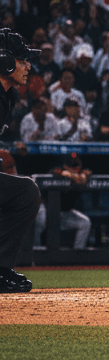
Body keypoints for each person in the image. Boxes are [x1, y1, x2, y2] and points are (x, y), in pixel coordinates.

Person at [0, 29, 43, 291]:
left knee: (24, 192)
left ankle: (1, 268)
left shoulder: (9, 95)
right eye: (22, 59)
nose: (28, 65)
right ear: (4, 60)